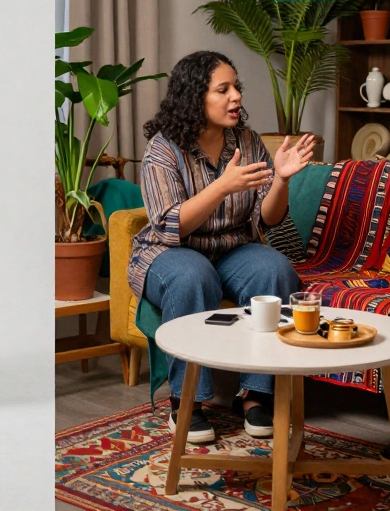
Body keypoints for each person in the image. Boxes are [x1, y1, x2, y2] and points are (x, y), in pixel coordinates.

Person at [130, 51, 311, 444]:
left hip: (232, 247)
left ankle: (256, 394)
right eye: (223, 89)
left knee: (275, 270)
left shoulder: (248, 142)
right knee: (192, 276)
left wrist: (281, 179)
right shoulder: (163, 149)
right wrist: (222, 187)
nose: (236, 97)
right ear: (196, 96)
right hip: (169, 251)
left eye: (237, 88)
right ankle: (187, 401)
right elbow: (171, 224)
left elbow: (268, 218)